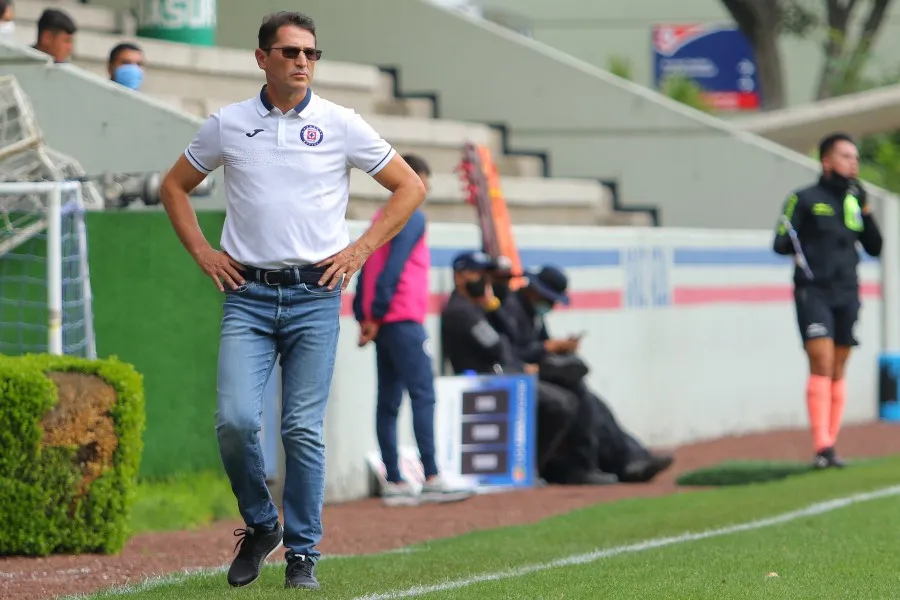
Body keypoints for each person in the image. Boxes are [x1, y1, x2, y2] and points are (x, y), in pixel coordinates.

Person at [158, 11, 426, 591]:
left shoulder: (341, 122)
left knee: (302, 430)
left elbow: (411, 187)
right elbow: (172, 187)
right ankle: (261, 525)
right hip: (247, 297)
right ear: (261, 58)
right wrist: (204, 253)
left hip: (315, 297)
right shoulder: (227, 125)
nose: (302, 61)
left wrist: (359, 252)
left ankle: (303, 553)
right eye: (289, 52)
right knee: (233, 421)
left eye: (310, 53)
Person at [353, 153, 474, 506]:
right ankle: (432, 475)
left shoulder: (379, 218)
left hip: (383, 323)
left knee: (388, 401)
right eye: (422, 180)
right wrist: (376, 312)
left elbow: (366, 268)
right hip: (403, 318)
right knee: (423, 394)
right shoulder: (412, 216)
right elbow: (393, 268)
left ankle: (394, 479)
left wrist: (367, 316)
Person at [439, 251, 615, 485]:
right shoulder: (461, 311)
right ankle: (532, 467)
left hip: (503, 373)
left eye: (487, 276)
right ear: (459, 276)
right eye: (478, 274)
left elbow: (506, 340)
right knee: (560, 403)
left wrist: (491, 307)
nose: (486, 281)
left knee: (573, 391)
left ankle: (568, 465)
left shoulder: (478, 307)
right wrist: (523, 366)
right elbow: (498, 348)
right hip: (483, 379)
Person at [498, 265, 674, 484]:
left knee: (595, 406)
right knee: (575, 400)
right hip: (519, 376)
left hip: (538, 373)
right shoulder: (511, 310)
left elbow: (541, 347)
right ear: (534, 290)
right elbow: (512, 353)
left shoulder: (533, 314)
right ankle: (583, 466)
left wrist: (558, 349)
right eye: (549, 299)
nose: (551, 305)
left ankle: (631, 458)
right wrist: (548, 348)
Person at [773, 132, 882, 469]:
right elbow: (780, 241)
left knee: (837, 366)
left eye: (855, 157)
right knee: (820, 360)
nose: (853, 163)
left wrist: (865, 209)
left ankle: (830, 445)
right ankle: (821, 445)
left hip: (847, 292)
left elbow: (875, 247)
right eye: (846, 156)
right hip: (813, 290)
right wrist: (800, 254)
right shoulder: (803, 199)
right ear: (827, 161)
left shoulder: (854, 202)